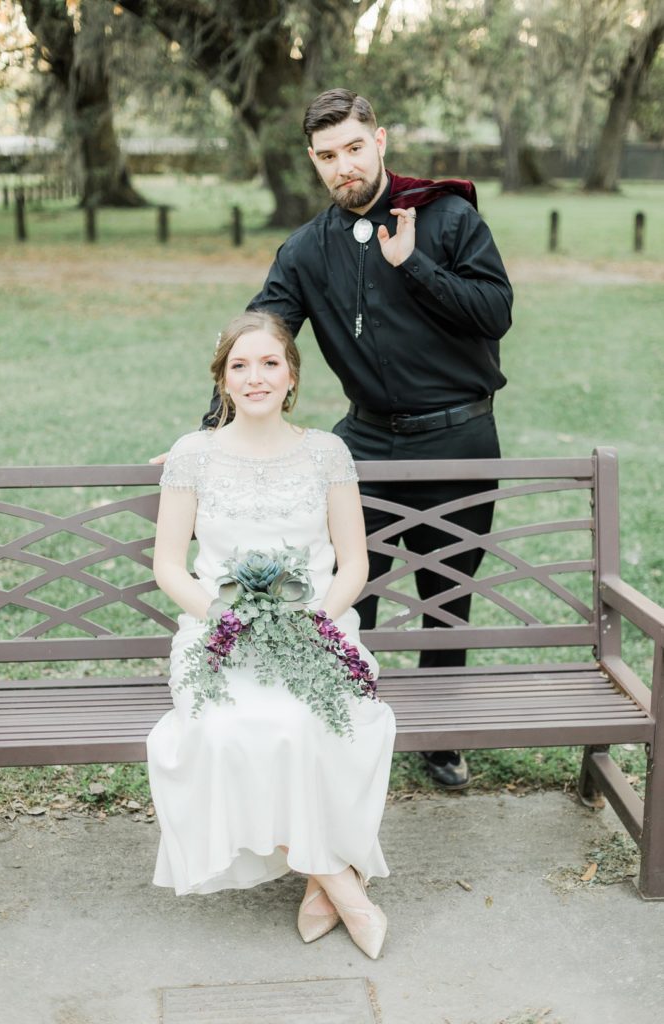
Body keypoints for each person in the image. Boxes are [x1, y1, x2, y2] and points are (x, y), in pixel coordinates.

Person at [198, 89, 513, 790]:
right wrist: (209, 433)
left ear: (379, 140)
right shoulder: (307, 249)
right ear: (313, 161)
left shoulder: (448, 217)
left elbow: (495, 314)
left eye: (353, 148)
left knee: (446, 594)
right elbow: (260, 340)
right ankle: (342, 722)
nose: (343, 167)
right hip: (363, 445)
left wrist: (414, 265)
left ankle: (440, 738)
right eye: (327, 156)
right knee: (343, 592)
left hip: (458, 437)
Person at [147, 310, 396, 960]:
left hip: (316, 629)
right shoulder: (191, 456)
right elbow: (169, 565)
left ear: (290, 376)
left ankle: (321, 878)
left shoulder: (326, 453)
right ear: (222, 380)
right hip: (218, 635)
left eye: (268, 363)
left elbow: (355, 561)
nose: (254, 377)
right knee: (224, 732)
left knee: (317, 724)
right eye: (239, 365)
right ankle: (339, 884)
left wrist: (313, 623)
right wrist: (224, 619)